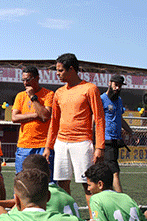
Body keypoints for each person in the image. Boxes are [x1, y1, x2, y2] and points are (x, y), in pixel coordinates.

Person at [44, 53, 105, 207]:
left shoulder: (90, 89)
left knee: (89, 185)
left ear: (71, 69)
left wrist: (99, 147)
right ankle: (69, 219)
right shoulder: (59, 93)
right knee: (62, 185)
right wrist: (48, 146)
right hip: (61, 143)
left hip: (82, 143)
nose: (57, 74)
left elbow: (99, 119)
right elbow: (54, 122)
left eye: (60, 70)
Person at [12, 66, 54, 174]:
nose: (25, 83)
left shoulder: (48, 94)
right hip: (24, 146)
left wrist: (33, 97)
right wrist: (36, 115)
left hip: (43, 145)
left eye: (28, 79)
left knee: (46, 180)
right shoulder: (20, 96)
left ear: (37, 78)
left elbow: (45, 116)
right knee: (22, 179)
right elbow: (14, 117)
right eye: (23, 80)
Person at [101, 74, 133, 192]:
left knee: (108, 173)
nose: (117, 88)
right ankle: (121, 199)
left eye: (120, 86)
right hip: (106, 140)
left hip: (116, 140)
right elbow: (95, 119)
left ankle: (109, 196)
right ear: (109, 83)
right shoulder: (102, 99)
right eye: (115, 85)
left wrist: (130, 132)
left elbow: (120, 118)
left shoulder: (119, 100)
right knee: (115, 172)